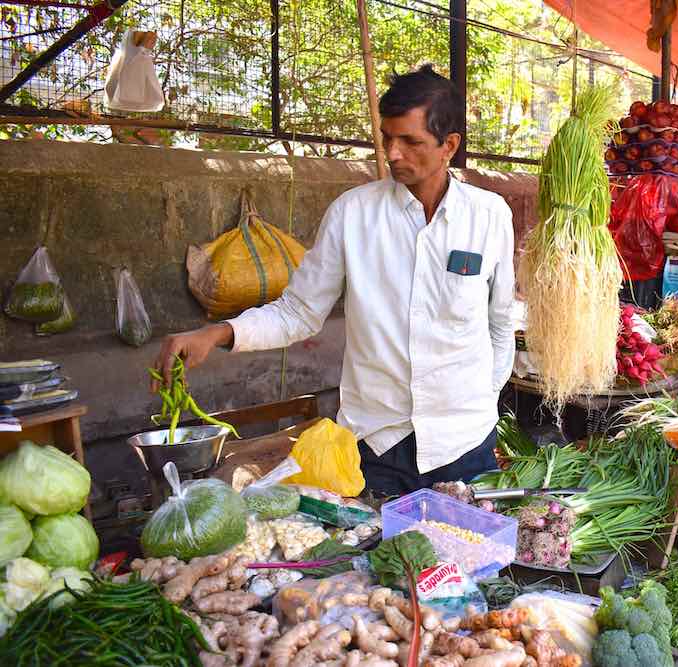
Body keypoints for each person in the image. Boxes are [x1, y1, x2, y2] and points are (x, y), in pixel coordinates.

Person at [153, 65, 516, 496]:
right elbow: (299, 312)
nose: (393, 153)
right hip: (376, 444)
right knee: (374, 558)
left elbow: (500, 324)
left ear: (448, 146)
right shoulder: (352, 214)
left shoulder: (489, 216)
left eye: (411, 141)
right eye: (387, 138)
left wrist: (479, 402)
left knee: (471, 557)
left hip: (464, 443)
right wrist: (218, 333)